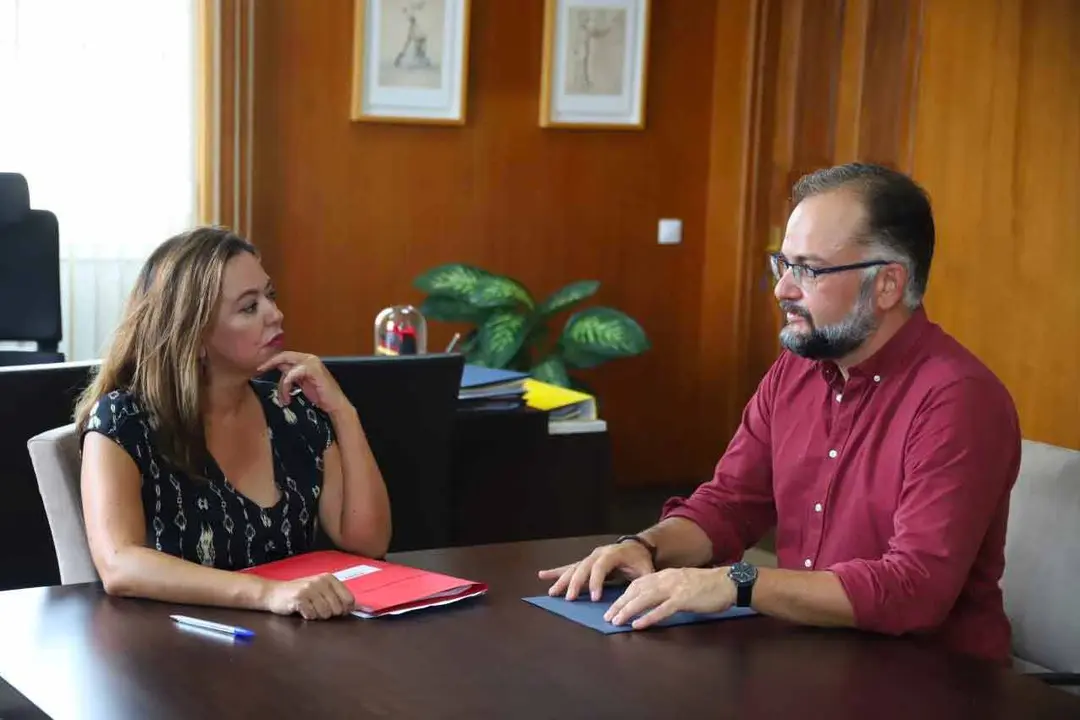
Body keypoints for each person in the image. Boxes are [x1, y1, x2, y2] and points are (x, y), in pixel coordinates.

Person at [539, 163, 1021, 662]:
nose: (783, 290)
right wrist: (645, 546)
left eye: (808, 269)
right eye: (783, 264)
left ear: (887, 285)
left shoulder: (958, 399)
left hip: (931, 681)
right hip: (810, 657)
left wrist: (739, 582)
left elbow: (914, 588)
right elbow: (731, 503)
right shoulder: (797, 370)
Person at [77, 227, 392, 621]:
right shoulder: (124, 420)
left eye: (270, 296)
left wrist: (343, 411)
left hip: (286, 650)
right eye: (249, 307)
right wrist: (268, 594)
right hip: (170, 653)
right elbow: (118, 565)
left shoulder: (292, 410)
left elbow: (368, 543)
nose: (275, 314)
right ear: (194, 335)